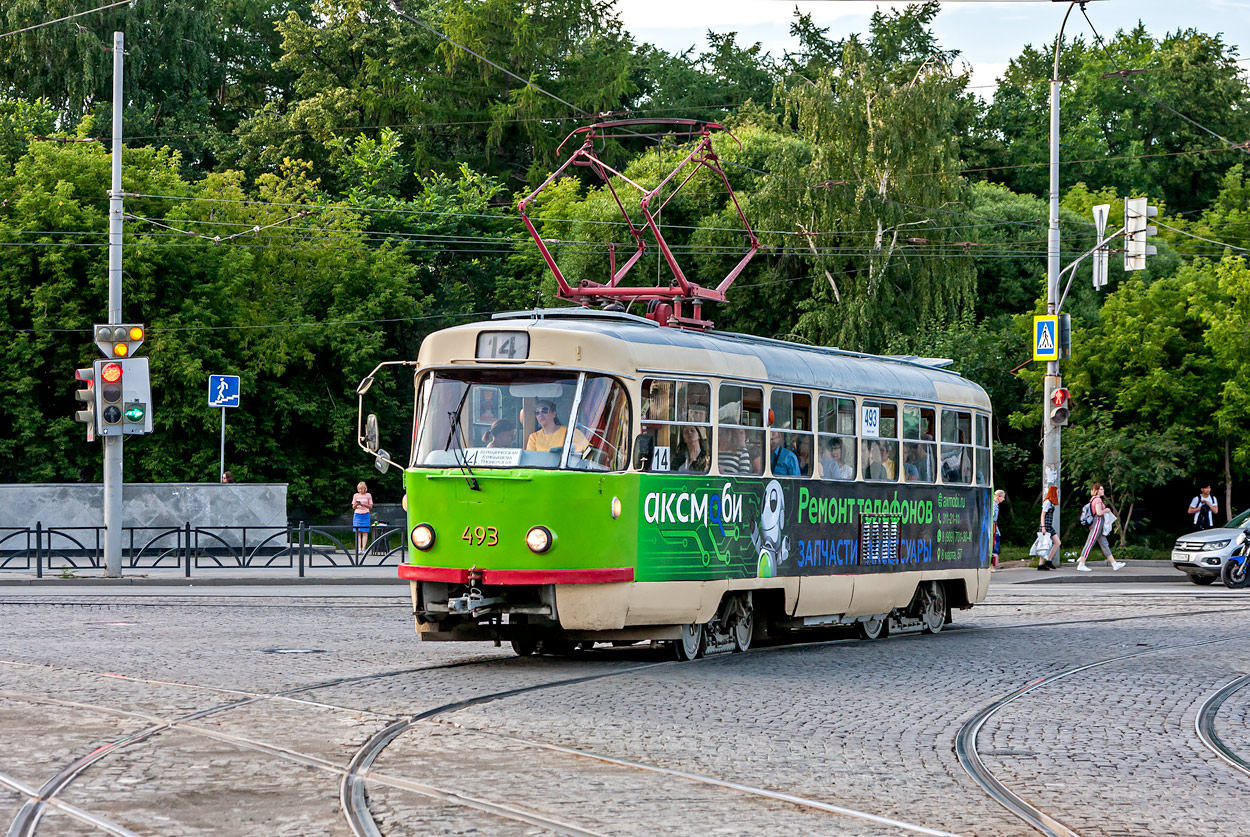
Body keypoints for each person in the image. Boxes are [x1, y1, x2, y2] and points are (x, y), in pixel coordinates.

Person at [1077, 483, 1124, 572]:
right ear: (1097, 491)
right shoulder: (1098, 500)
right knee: (1090, 542)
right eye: (1101, 489)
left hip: (1097, 523)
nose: (1103, 491)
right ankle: (1081, 563)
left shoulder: (1093, 499)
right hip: (1097, 522)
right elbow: (1099, 512)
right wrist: (1106, 510)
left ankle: (1114, 564)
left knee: (1104, 544)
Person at [1038, 485, 1060, 570]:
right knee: (1044, 545)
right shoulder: (1047, 502)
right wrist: (1043, 526)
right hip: (1046, 526)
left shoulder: (1051, 503)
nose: (1058, 494)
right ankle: (1041, 564)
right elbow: (1043, 514)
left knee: (1057, 543)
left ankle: (1048, 561)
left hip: (1049, 526)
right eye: (1057, 492)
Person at [351, 481, 373, 553]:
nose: (361, 490)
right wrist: (357, 504)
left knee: (365, 532)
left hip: (365, 514)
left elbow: (371, 506)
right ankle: (359, 548)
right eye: (359, 489)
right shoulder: (356, 495)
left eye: (362, 489)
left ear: (365, 488)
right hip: (357, 514)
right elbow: (353, 506)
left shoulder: (368, 495)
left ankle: (363, 548)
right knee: (358, 532)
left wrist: (363, 504)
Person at [991, 489, 1005, 571]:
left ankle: (994, 566)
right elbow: (992, 517)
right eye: (1003, 497)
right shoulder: (994, 505)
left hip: (994, 527)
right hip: (993, 527)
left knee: (996, 545)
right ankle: (993, 566)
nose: (1004, 499)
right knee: (995, 545)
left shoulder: (995, 505)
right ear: (999, 497)